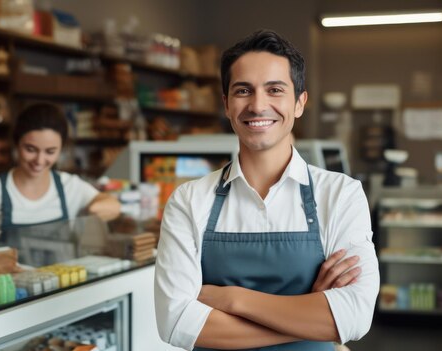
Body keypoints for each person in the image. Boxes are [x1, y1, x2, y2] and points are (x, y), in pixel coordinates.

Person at [154, 30, 379, 351]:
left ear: (300, 102)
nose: (258, 105)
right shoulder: (189, 200)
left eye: (275, 90)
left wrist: (232, 299)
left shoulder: (341, 194)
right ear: (227, 105)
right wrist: (310, 315)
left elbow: (355, 317)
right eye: (243, 90)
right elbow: (175, 322)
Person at [0, 103, 121, 235]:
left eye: (50, 152)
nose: (39, 160)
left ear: (61, 149)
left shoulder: (69, 186)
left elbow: (112, 205)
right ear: (17, 144)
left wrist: (93, 210)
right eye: (31, 149)